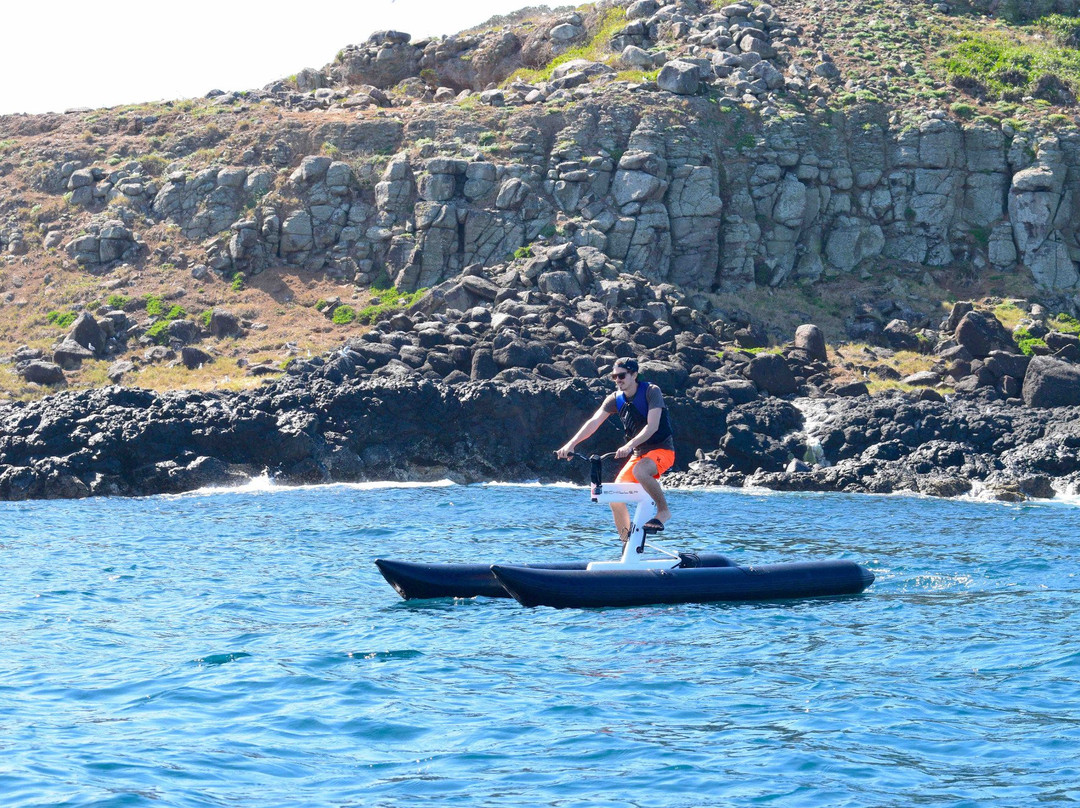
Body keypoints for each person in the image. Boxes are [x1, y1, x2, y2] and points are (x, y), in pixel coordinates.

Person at [556, 357, 675, 540]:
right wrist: (571, 444)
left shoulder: (652, 392)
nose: (618, 380)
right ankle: (627, 543)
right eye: (614, 376)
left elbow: (652, 427)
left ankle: (663, 512)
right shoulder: (615, 399)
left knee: (640, 471)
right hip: (639, 453)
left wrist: (628, 446)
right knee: (615, 495)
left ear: (634, 374)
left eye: (622, 375)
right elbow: (593, 422)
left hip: (662, 450)